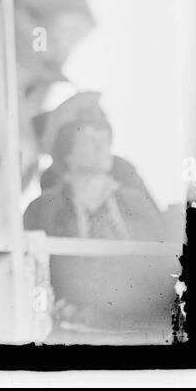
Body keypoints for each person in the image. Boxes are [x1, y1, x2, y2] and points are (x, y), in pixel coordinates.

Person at [25, 102, 174, 337]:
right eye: (90, 141)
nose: (102, 148)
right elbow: (29, 273)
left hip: (136, 327)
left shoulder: (135, 203)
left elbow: (162, 264)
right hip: (68, 330)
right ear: (67, 154)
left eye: (105, 141)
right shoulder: (43, 209)